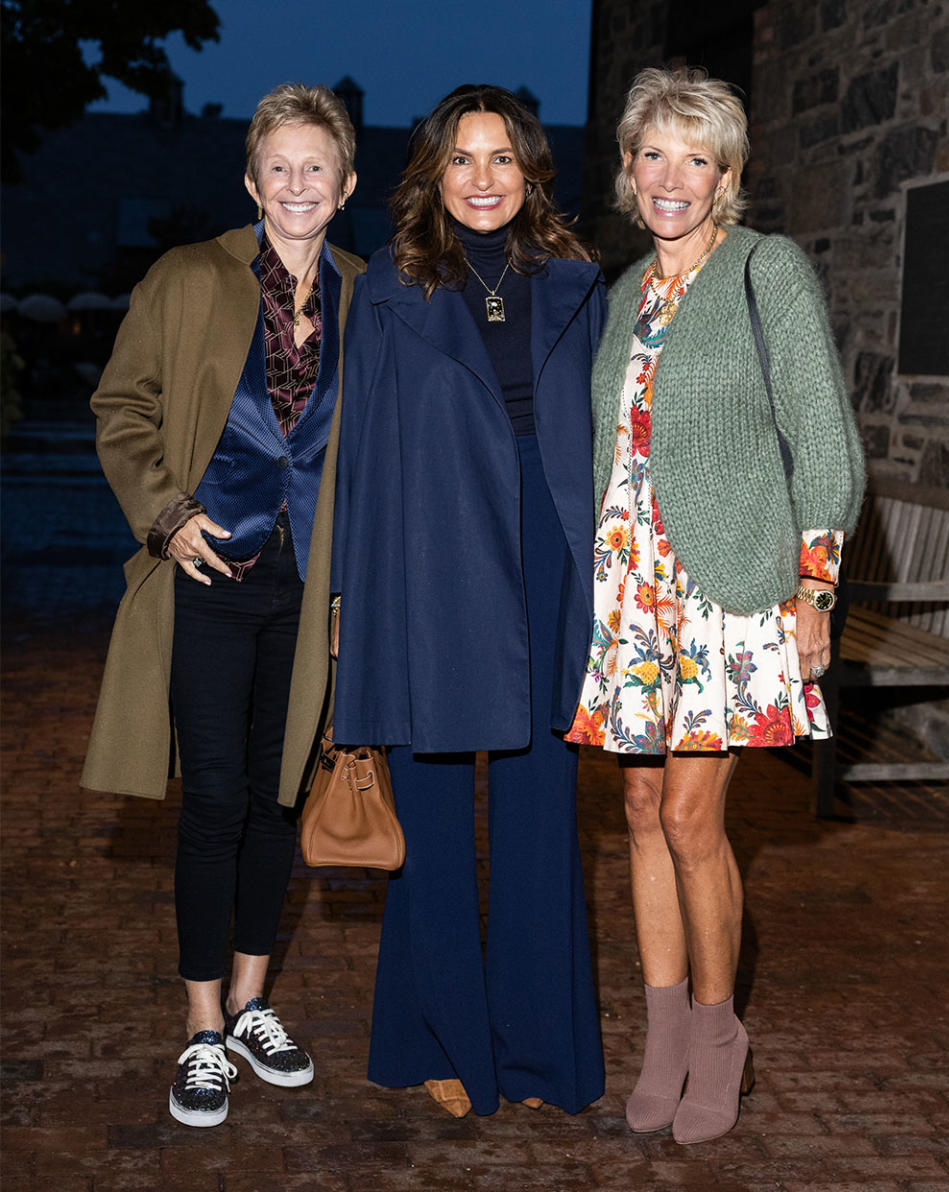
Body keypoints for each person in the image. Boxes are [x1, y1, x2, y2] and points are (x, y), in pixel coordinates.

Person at [566, 67, 864, 1144]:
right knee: (640, 814)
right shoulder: (621, 294)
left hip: (730, 588)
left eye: (699, 158)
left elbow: (824, 438)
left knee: (695, 817)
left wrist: (816, 583)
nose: (673, 177)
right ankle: (662, 1040)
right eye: (655, 154)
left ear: (728, 176)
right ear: (630, 169)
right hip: (632, 589)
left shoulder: (764, 271)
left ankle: (719, 1032)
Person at [81, 83, 364, 1127]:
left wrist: (357, 595)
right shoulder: (188, 278)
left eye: (316, 169)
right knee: (211, 802)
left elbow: (377, 462)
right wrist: (166, 512)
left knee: (274, 799)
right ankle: (201, 1026)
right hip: (208, 581)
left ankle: (252, 1001)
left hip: (309, 587)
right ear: (252, 181)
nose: (297, 185)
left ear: (344, 185)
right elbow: (122, 407)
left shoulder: (366, 296)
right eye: (278, 168)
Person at [331, 84, 606, 1117]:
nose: (482, 178)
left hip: (549, 547)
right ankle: (437, 1036)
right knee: (434, 810)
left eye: (501, 158)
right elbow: (364, 458)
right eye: (460, 158)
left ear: (532, 170)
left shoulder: (580, 281)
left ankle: (539, 1052)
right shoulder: (394, 290)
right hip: (433, 554)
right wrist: (355, 601)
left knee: (542, 809)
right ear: (431, 175)